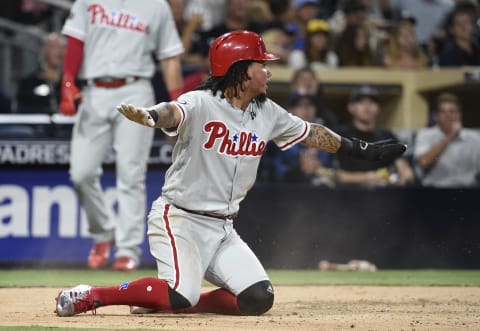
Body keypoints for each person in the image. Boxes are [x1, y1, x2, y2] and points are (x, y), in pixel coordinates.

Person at [54, 30, 406, 317]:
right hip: (180, 220)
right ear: (240, 70)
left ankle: (167, 303)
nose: (268, 70)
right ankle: (92, 295)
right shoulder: (202, 102)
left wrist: (365, 150)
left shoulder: (267, 111)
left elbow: (314, 132)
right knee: (179, 293)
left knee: (258, 298)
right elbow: (173, 112)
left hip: (223, 228)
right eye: (261, 64)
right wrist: (150, 115)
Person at [59, 0, 184, 271]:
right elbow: (75, 41)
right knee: (80, 173)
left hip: (135, 89)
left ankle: (127, 250)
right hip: (93, 91)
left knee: (130, 175)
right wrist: (67, 82)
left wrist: (177, 103)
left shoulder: (156, 6)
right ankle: (104, 234)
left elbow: (169, 56)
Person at [334, 85, 415, 186]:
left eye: (372, 102)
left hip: (382, 194)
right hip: (346, 194)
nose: (367, 107)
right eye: (361, 102)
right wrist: (367, 178)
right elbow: (333, 174)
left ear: (378, 108)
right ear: (351, 108)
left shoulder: (387, 136)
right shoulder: (340, 134)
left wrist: (404, 178)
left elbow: (404, 168)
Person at [414, 92, 480, 188]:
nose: (448, 116)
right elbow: (423, 162)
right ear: (436, 116)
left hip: (468, 191)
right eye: (443, 112)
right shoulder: (426, 135)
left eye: (452, 111)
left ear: (459, 115)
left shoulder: (474, 137)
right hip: (435, 191)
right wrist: (449, 137)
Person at [15, 32, 66, 114]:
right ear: (44, 50)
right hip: (38, 124)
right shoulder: (29, 82)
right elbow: (22, 107)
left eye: (62, 47)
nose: (59, 52)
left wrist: (59, 82)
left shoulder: (74, 81)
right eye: (54, 47)